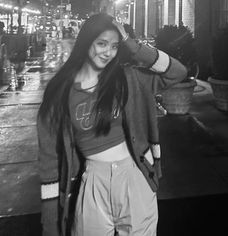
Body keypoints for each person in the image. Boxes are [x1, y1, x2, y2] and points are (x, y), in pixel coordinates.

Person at [37, 13, 187, 236]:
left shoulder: (127, 79)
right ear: (86, 41)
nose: (108, 52)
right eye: (101, 43)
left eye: (115, 46)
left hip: (134, 175)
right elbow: (50, 161)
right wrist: (50, 224)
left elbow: (177, 72)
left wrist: (132, 45)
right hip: (91, 183)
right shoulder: (60, 93)